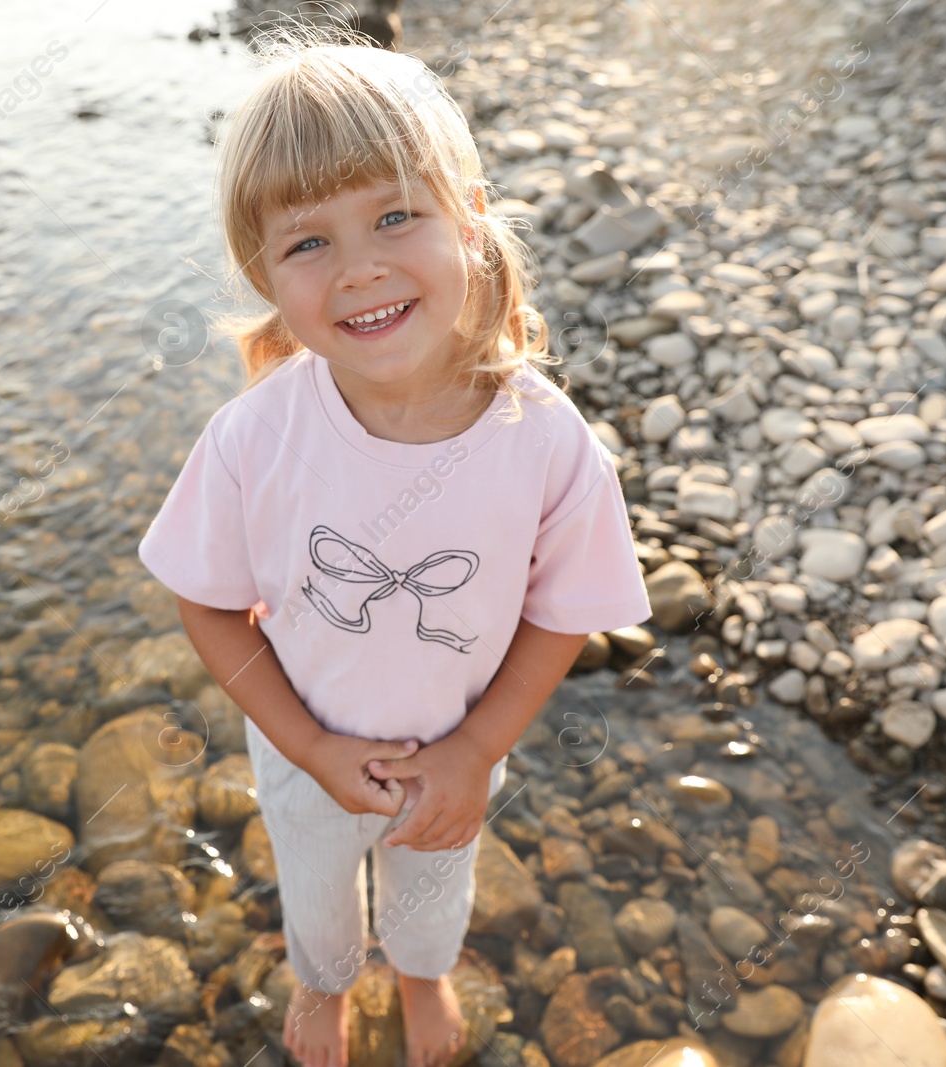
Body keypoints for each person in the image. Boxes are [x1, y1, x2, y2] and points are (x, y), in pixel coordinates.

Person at [137, 29, 652, 1067]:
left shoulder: (543, 440)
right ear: (268, 274)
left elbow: (563, 611)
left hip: (457, 746)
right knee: (317, 900)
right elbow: (207, 603)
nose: (361, 265)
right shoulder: (253, 438)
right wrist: (309, 744)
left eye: (394, 216)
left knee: (432, 893)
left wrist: (473, 748)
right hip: (302, 747)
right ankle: (321, 989)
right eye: (307, 242)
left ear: (466, 222)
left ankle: (423, 979)